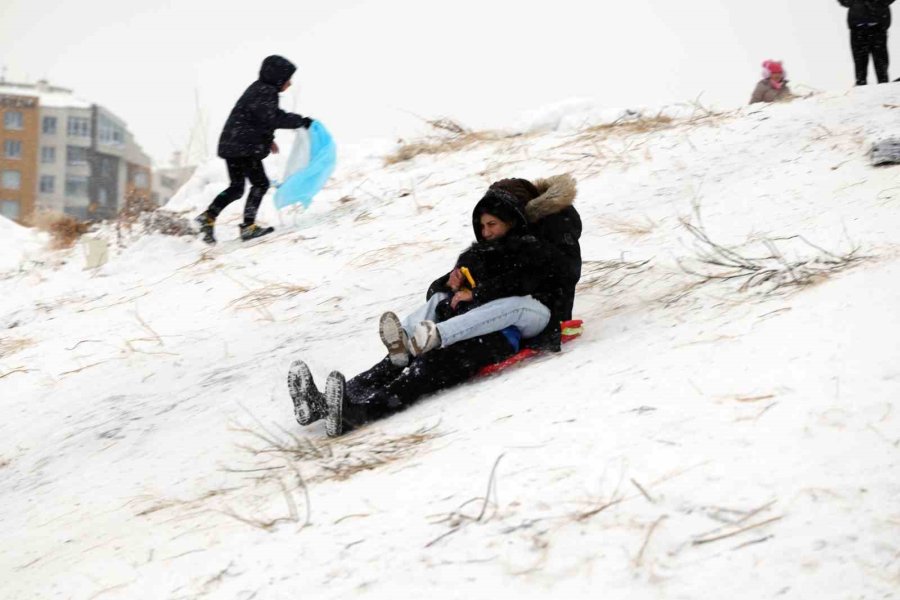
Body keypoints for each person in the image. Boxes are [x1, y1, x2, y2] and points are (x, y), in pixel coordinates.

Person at [289, 187, 572, 437]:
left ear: (512, 221)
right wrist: (450, 283)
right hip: (472, 323)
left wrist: (477, 294)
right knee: (399, 360)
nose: (486, 232)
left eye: (492, 225)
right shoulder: (481, 254)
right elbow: (444, 289)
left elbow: (525, 283)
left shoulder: (534, 250)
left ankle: (357, 414)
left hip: (505, 333)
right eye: (482, 226)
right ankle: (325, 402)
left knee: (430, 367)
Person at [195, 55, 313, 244]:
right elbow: (273, 118)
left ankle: (207, 218)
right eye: (288, 79)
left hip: (235, 144)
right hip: (243, 148)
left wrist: (269, 140)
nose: (290, 84)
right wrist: (301, 121)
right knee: (260, 184)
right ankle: (248, 227)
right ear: (278, 77)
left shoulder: (260, 90)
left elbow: (259, 120)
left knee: (236, 188)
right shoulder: (265, 92)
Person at [839, 0, 894, 85]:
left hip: (877, 27)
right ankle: (861, 90)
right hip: (858, 29)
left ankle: (884, 91)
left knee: (881, 66)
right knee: (860, 67)